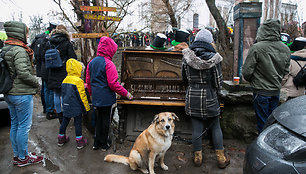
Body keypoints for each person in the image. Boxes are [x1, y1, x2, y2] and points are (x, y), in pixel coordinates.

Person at [181, 29, 230, 168]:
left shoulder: (186, 57)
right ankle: (221, 159)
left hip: (193, 96)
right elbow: (218, 82)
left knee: (196, 128)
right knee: (215, 127)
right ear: (210, 41)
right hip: (210, 95)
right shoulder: (215, 58)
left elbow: (183, 78)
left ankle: (198, 158)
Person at [3, 21, 43, 167]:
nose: (27, 35)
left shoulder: (6, 48)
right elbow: (23, 73)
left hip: (9, 93)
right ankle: (23, 157)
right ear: (19, 33)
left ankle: (18, 155)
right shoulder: (19, 50)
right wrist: (36, 82)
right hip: (20, 93)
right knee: (24, 126)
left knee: (15, 124)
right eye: (26, 32)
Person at [242, 19, 291, 133]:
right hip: (275, 90)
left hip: (261, 90)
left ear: (263, 30)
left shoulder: (257, 48)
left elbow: (247, 72)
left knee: (262, 122)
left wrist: (252, 80)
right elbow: (285, 71)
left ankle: (262, 146)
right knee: (272, 121)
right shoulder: (285, 49)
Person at [86, 36, 133, 151]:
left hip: (96, 97)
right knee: (106, 120)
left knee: (98, 119)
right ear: (110, 49)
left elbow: (88, 81)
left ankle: (96, 143)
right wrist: (127, 94)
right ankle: (105, 143)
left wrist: (92, 95)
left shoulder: (91, 63)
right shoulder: (109, 64)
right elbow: (113, 84)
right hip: (106, 98)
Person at [46, 24, 77, 123]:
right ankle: (66, 115)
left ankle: (59, 115)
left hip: (52, 71)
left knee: (56, 94)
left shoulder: (49, 42)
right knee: (64, 94)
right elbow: (73, 58)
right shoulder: (66, 43)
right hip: (63, 71)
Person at [58, 58, 90, 149]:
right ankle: (80, 141)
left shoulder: (65, 80)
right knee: (78, 123)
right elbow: (82, 96)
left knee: (64, 122)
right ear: (78, 69)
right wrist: (86, 108)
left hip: (66, 105)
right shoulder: (78, 81)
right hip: (76, 107)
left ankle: (61, 138)